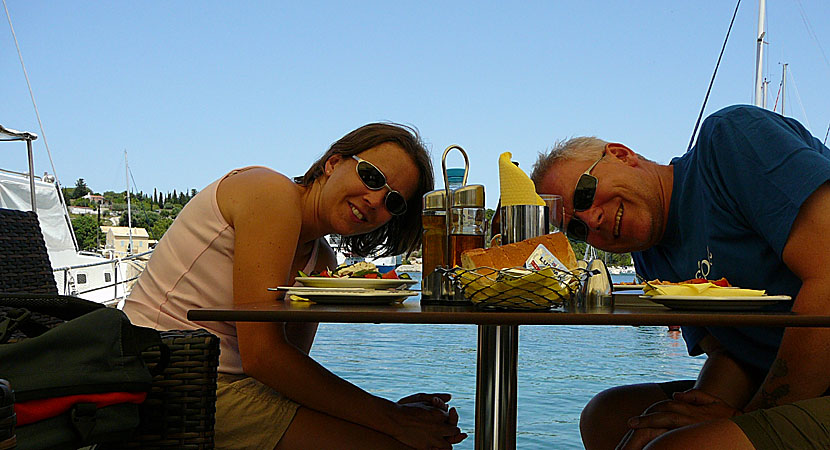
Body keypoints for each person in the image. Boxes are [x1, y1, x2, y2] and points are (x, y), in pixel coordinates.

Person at [123, 123, 467, 449]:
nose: (375, 200)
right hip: (163, 379)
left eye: (393, 202)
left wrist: (385, 414)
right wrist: (390, 419)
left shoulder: (321, 263)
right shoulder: (270, 193)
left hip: (221, 386)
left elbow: (286, 371)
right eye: (372, 177)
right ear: (333, 163)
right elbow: (263, 357)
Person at [530, 104, 830, 450]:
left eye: (584, 194)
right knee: (607, 417)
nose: (592, 219)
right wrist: (696, 408)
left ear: (621, 154)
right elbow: (729, 351)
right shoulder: (650, 255)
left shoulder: (730, 140)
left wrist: (749, 416)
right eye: (578, 228)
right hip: (780, 380)